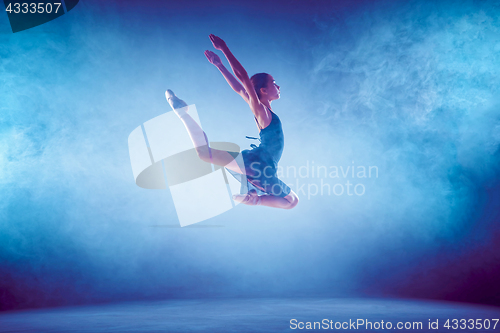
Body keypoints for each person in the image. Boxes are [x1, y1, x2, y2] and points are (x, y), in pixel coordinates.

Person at [166, 34, 298, 209]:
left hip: (257, 166)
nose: (278, 86)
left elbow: (239, 89)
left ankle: (183, 113)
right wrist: (225, 49)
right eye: (274, 83)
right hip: (262, 164)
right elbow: (243, 79)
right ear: (264, 90)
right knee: (292, 202)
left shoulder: (261, 111)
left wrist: (220, 65)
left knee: (205, 154)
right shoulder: (262, 111)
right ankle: (254, 198)